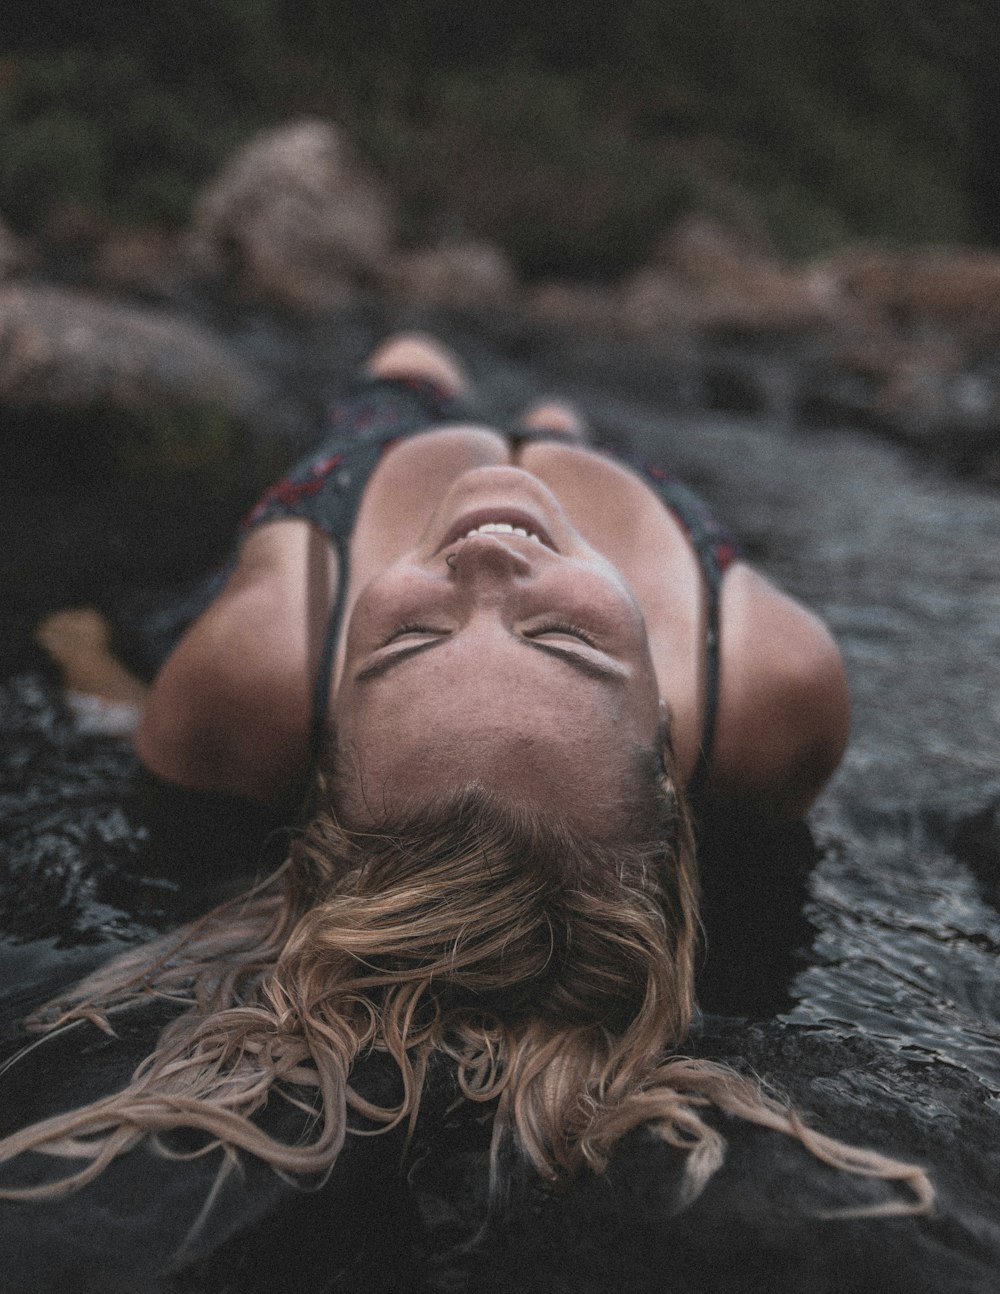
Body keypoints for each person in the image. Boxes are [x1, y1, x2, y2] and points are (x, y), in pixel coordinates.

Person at [1, 334, 928, 1219]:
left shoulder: (259, 676)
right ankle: (563, 441)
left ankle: (436, 413)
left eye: (411, 639)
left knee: (409, 361)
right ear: (666, 759)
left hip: (372, 481)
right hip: (630, 506)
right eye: (565, 639)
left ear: (321, 763)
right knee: (565, 428)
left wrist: (99, 675)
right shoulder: (771, 692)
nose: (486, 558)